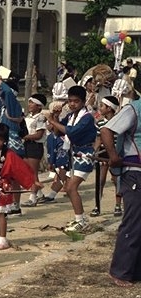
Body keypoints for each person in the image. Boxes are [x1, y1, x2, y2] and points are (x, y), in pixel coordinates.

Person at [100, 97, 141, 287]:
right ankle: (121, 271)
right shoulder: (134, 109)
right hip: (134, 173)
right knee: (133, 222)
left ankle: (135, 271)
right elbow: (106, 130)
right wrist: (113, 156)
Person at [0, 123, 38, 250]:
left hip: (3, 187)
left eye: (0, 139)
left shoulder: (10, 154)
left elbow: (21, 168)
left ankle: (3, 239)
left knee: (0, 213)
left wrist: (33, 181)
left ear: (5, 141)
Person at [47, 85, 96, 233]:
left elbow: (71, 132)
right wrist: (56, 117)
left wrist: (52, 121)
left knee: (71, 188)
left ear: (83, 102)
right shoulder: (70, 116)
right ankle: (80, 218)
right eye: (70, 101)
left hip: (85, 155)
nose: (72, 104)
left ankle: (81, 221)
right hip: (73, 154)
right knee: (69, 188)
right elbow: (57, 132)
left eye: (76, 101)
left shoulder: (87, 117)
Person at [0, 71, 26, 214]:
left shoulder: (13, 105)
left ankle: (15, 204)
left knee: (13, 176)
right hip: (5, 144)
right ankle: (9, 202)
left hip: (13, 145)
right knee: (5, 175)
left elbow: (8, 93)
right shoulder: (4, 107)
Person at [90, 96, 122, 217]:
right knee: (100, 180)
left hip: (116, 152)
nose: (100, 108)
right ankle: (97, 206)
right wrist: (94, 151)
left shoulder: (119, 121)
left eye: (102, 106)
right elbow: (99, 139)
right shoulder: (100, 123)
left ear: (109, 108)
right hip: (103, 152)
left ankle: (118, 205)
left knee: (116, 179)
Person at [39, 101, 69, 204]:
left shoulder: (55, 136)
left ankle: (52, 195)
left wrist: (51, 163)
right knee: (63, 174)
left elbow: (56, 131)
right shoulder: (52, 136)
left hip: (63, 154)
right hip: (61, 154)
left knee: (63, 173)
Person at [20, 94, 48, 207]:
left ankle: (32, 198)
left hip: (35, 146)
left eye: (33, 103)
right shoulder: (28, 116)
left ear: (39, 106)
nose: (30, 105)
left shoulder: (40, 118)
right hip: (27, 145)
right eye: (30, 102)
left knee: (33, 173)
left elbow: (39, 135)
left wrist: (24, 137)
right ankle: (40, 194)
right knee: (28, 171)